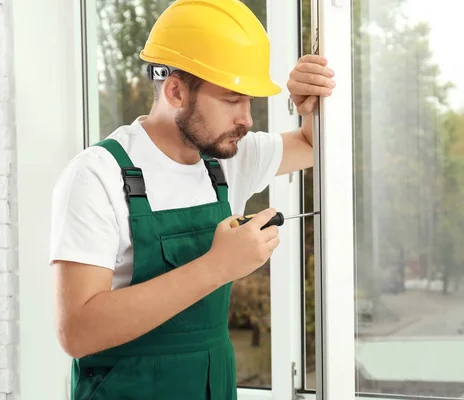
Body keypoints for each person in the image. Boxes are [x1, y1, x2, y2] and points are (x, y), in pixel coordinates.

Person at [49, 0, 335, 398]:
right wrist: (218, 266)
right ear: (176, 90)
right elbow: (76, 332)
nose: (247, 119)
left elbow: (310, 143)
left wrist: (310, 103)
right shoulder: (98, 175)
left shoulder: (225, 160)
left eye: (248, 100)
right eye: (232, 100)